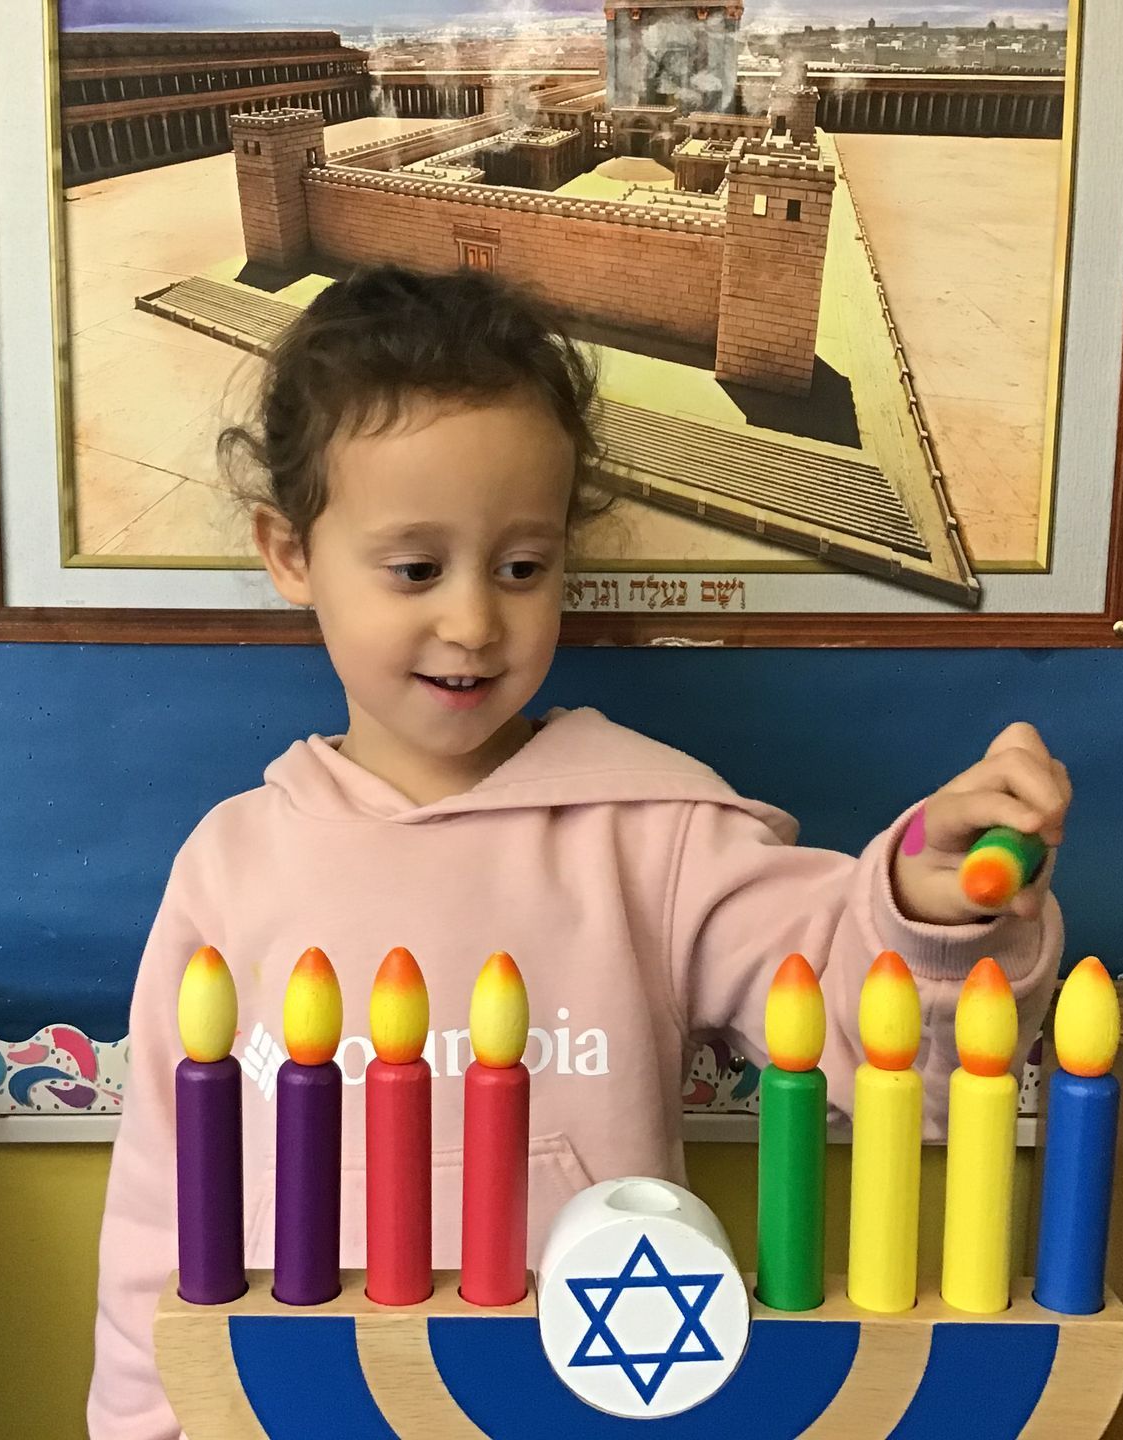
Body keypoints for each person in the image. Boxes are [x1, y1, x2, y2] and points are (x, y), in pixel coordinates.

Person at [89, 266, 1069, 1438]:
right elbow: (161, 1199)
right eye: (415, 568)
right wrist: (153, 1420)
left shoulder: (653, 834)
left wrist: (929, 904)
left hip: (590, 1405)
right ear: (290, 554)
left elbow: (878, 1047)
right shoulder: (233, 862)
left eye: (521, 567)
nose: (473, 622)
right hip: (298, 1411)